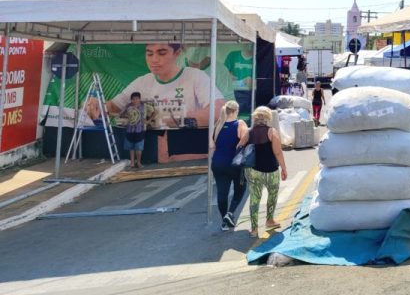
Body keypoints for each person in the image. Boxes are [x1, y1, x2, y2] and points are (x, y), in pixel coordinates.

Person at [88, 43, 224, 129]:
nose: (154, 59)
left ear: (177, 53)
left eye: (162, 53)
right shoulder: (142, 82)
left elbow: (219, 111)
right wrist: (98, 106)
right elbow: (115, 107)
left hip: (188, 150)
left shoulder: (195, 77)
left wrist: (176, 120)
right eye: (149, 53)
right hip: (152, 151)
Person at [245, 106, 288, 239]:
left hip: (253, 170)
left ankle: (254, 229)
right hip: (271, 170)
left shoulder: (248, 132)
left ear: (255, 118)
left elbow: (240, 147)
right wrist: (284, 168)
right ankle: (269, 220)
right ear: (268, 118)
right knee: (272, 195)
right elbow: (278, 152)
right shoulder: (271, 132)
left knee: (254, 198)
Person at [210, 100, 249, 231]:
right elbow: (246, 137)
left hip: (217, 163)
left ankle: (224, 222)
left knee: (222, 193)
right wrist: (239, 145)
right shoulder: (240, 123)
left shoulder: (217, 126)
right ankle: (230, 213)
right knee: (241, 188)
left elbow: (211, 146)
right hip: (234, 163)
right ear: (235, 111)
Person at [120, 91, 155, 169]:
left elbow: (155, 112)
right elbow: (121, 114)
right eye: (133, 99)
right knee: (131, 147)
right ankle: (132, 163)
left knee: (139, 148)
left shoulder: (145, 106)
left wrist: (149, 121)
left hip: (140, 130)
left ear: (139, 99)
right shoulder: (128, 106)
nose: (135, 100)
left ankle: (138, 162)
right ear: (131, 100)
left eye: (136, 99)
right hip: (130, 129)